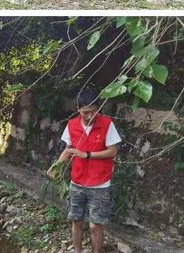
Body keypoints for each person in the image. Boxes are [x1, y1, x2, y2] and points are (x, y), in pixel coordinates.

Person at [48, 90, 121, 253]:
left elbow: (112, 151)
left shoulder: (107, 124)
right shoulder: (71, 125)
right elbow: (68, 150)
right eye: (85, 112)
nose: (90, 115)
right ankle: (77, 251)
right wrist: (56, 166)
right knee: (76, 221)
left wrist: (87, 155)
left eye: (94, 111)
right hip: (77, 182)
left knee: (95, 225)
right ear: (78, 108)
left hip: (100, 183)